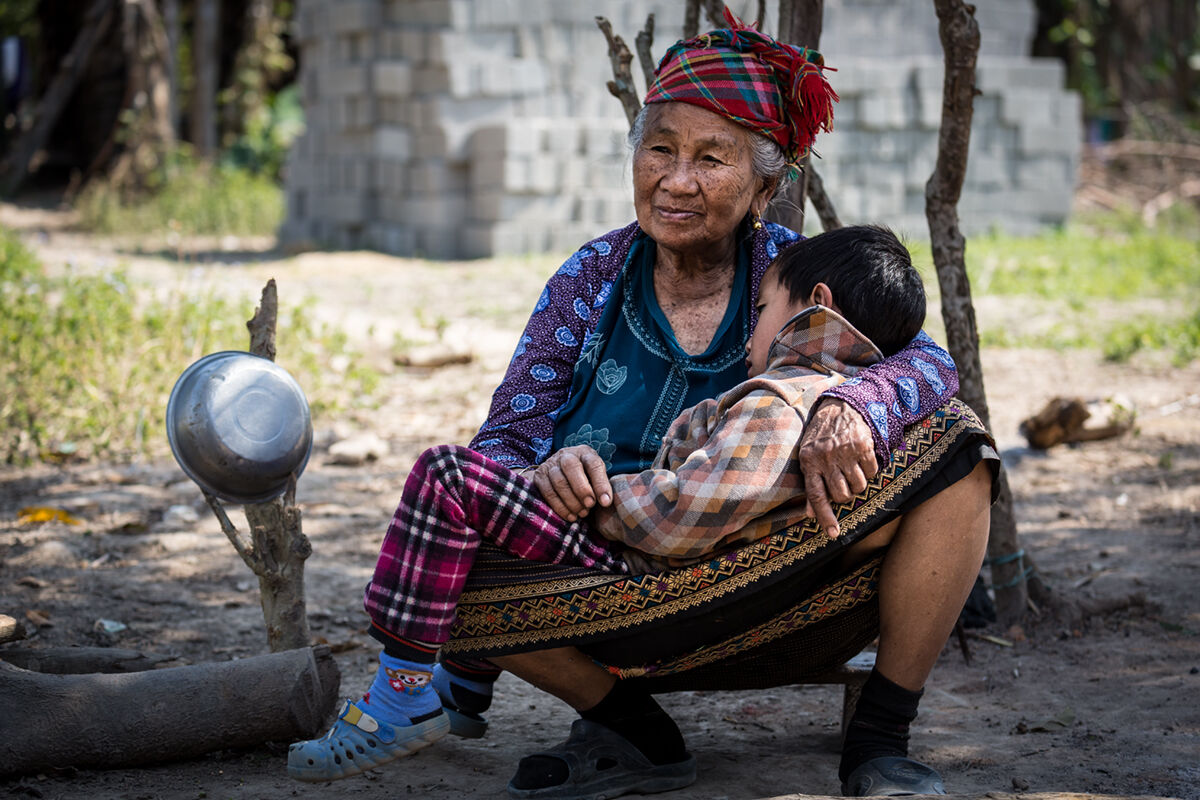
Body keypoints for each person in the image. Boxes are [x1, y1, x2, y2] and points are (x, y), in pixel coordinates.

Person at [290, 9, 998, 799]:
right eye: (660, 148)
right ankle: (626, 727)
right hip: (602, 576)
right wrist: (551, 467)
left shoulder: (786, 274)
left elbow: (927, 359)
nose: (677, 179)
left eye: (711, 158)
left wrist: (858, 405)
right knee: (441, 534)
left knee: (959, 451)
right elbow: (505, 438)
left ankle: (880, 742)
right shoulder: (589, 278)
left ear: (767, 184)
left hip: (770, 576)